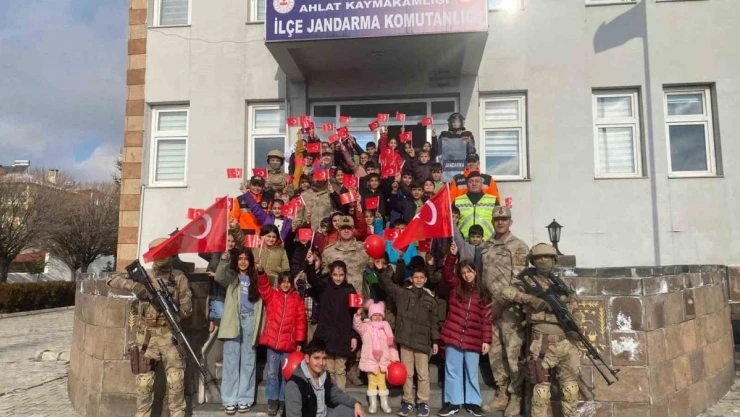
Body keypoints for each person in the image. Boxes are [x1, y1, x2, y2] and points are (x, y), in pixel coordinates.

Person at [106, 239, 192, 417]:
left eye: (165, 252)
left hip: (169, 335)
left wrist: (174, 311)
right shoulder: (144, 275)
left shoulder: (179, 277)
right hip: (146, 337)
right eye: (158, 253)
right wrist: (135, 286)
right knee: (144, 383)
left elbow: (187, 309)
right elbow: (111, 280)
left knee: (176, 381)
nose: (162, 257)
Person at [500, 243, 581, 417]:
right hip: (542, 343)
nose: (543, 260)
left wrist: (576, 327)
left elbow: (576, 309)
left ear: (554, 260)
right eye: (539, 257)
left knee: (571, 389)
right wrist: (531, 300)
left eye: (547, 257)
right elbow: (506, 292)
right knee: (541, 392)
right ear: (533, 261)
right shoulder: (528, 281)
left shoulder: (563, 284)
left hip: (565, 342)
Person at [478, 206, 529, 415]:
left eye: (504, 219)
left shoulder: (519, 246)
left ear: (510, 222)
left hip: (510, 310)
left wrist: (501, 301)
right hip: (489, 308)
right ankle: (502, 394)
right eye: (497, 219)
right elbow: (481, 275)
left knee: (512, 353)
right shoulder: (485, 246)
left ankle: (516, 396)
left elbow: (520, 280)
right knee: (495, 353)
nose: (500, 222)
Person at [438, 242, 496, 417]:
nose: (466, 275)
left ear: (475, 272)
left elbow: (486, 319)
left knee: (471, 371)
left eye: (469, 272)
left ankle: (473, 402)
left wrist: (486, 340)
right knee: (452, 370)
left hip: (473, 337)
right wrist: (452, 256)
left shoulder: (483, 293)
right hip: (453, 335)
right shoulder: (456, 286)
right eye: (463, 273)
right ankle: (453, 402)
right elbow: (447, 274)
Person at [376, 259, 439, 417]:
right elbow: (389, 286)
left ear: (425, 279)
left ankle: (423, 402)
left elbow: (434, 322)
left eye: (421, 277)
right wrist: (381, 271)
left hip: (423, 342)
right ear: (411, 278)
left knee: (423, 374)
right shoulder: (403, 294)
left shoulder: (430, 299)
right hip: (405, 340)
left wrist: (435, 341)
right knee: (408, 374)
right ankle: (407, 401)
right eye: (416, 277)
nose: (418, 280)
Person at [215, 247, 263, 414]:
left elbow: (267, 289)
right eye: (240, 258)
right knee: (231, 360)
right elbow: (219, 277)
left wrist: (261, 270)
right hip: (233, 321)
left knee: (248, 360)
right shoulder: (232, 277)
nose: (243, 262)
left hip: (250, 320)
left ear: (250, 261)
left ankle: (245, 398)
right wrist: (224, 260)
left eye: (246, 259)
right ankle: (229, 398)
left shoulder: (255, 278)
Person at [306, 252, 359, 391]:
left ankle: (340, 396)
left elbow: (355, 315)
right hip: (327, 335)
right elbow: (312, 280)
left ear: (345, 275)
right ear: (330, 274)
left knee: (340, 369)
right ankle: (329, 396)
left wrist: (354, 336)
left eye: (341, 275)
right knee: (328, 369)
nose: (338, 278)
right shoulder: (324, 286)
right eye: (335, 275)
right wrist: (310, 264)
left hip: (343, 336)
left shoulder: (350, 290)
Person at [258, 271, 307, 416]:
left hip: (289, 345)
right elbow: (264, 286)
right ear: (279, 283)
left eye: (288, 282)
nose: (285, 284)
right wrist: (260, 272)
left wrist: (299, 340)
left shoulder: (297, 300)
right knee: (272, 373)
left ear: (292, 284)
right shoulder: (272, 295)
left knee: (286, 374)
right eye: (283, 281)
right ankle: (273, 399)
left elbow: (301, 321)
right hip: (273, 343)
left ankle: (284, 398)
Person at [284, 339, 366, 417]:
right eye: (316, 358)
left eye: (324, 358)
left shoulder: (324, 375)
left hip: (325, 414)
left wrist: (356, 403)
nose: (321, 363)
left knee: (353, 411)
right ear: (307, 358)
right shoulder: (294, 385)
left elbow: (336, 394)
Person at [353, 301, 399, 414]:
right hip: (371, 361)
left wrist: (394, 358)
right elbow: (357, 326)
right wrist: (358, 315)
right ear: (370, 316)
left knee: (382, 383)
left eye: (379, 315)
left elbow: (391, 345)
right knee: (372, 382)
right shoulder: (366, 327)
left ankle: (384, 403)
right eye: (374, 315)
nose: (377, 317)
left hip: (383, 361)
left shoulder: (386, 328)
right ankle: (373, 404)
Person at [453, 171, 497, 240]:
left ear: (481, 183)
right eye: (471, 181)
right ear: (467, 184)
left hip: (488, 242)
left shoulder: (493, 200)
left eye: (477, 181)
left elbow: (499, 222)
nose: (474, 184)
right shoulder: (457, 201)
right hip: (463, 242)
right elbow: (451, 223)